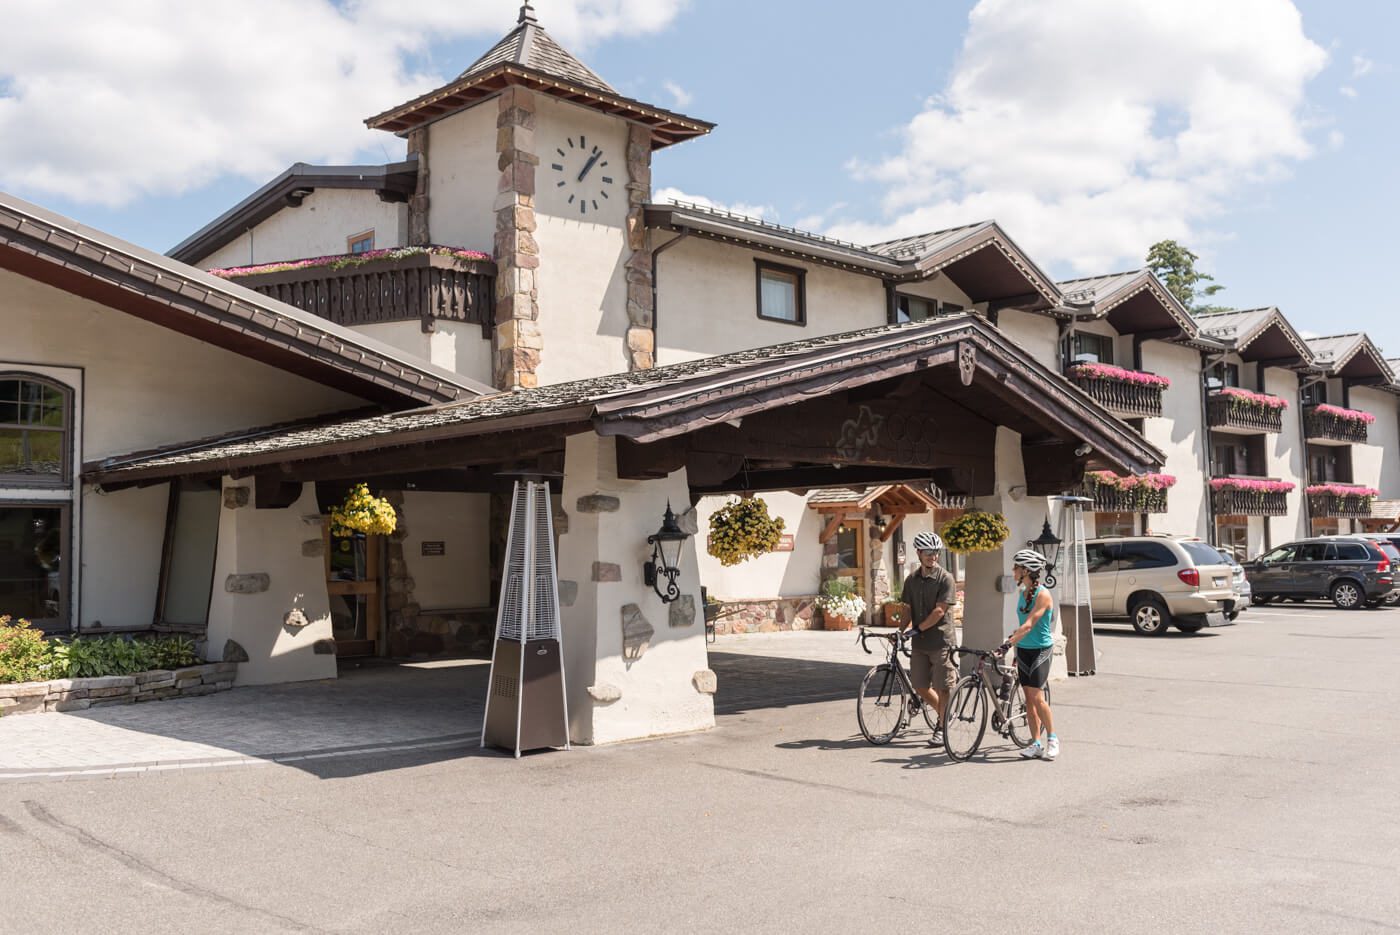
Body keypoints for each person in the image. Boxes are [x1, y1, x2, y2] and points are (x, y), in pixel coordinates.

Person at [997, 548, 1058, 760]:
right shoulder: (1023, 594)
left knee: (1037, 697)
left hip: (1041, 649)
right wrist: (1013, 641)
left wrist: (1006, 644)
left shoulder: (1043, 594)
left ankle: (1052, 738)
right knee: (1029, 700)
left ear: (1026, 570)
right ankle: (1036, 744)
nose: (1013, 570)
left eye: (1016, 567)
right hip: (1023, 649)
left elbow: (1030, 624)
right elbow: (1022, 625)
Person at [899, 531, 957, 747]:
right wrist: (900, 630)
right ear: (919, 553)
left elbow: (939, 612)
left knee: (943, 687)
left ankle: (941, 727)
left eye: (936, 552)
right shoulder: (912, 579)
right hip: (920, 643)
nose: (933, 556)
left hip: (941, 641)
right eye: (929, 552)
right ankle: (945, 714)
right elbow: (908, 608)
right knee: (920, 685)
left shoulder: (945, 578)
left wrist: (916, 629)